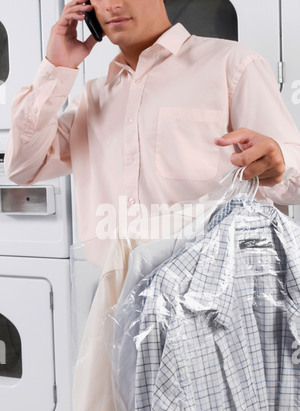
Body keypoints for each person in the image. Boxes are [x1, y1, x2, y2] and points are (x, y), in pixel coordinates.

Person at [5, 0, 300, 256]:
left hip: (212, 300)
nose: (112, 5)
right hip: (116, 300)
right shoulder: (92, 98)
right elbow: (23, 167)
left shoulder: (232, 64)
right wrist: (56, 67)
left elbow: (294, 180)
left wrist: (279, 163)